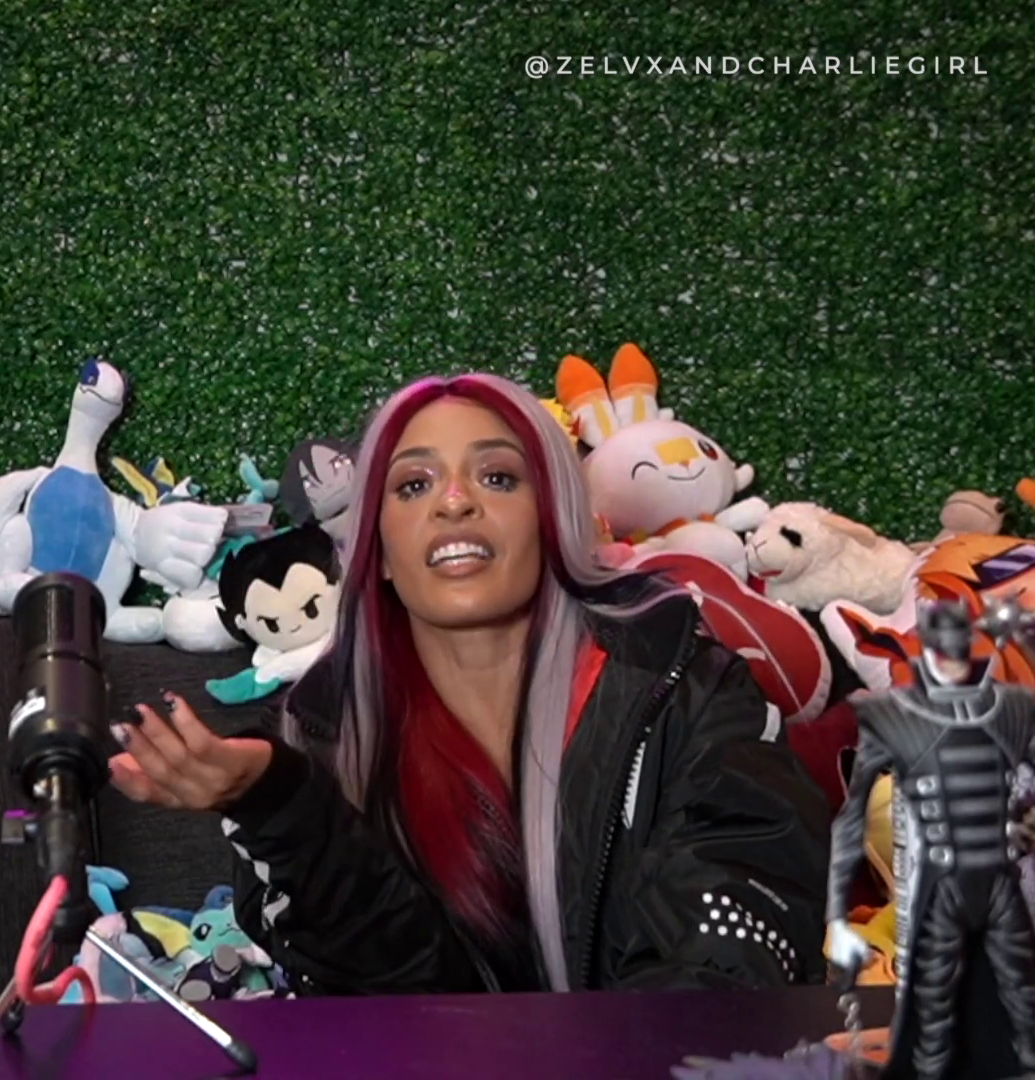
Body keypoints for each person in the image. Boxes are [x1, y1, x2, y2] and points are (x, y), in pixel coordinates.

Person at [109, 372, 832, 995]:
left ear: (553, 521)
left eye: (498, 478)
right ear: (377, 551)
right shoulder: (318, 736)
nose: (454, 502)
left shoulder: (687, 686)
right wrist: (279, 805)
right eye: (413, 485)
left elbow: (730, 949)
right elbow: (388, 1012)